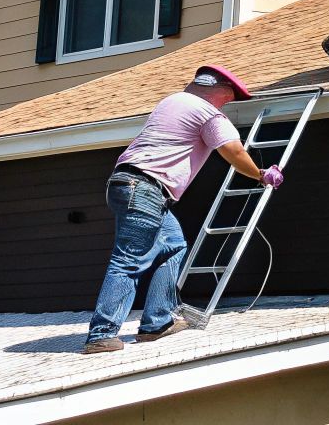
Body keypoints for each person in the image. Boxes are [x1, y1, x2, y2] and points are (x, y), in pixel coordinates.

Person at [81, 65, 282, 353]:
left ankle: (157, 324)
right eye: (229, 98)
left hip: (127, 183)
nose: (228, 104)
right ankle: (101, 335)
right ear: (220, 92)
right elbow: (235, 153)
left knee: (174, 245)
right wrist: (261, 174)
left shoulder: (171, 101)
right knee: (129, 260)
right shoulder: (209, 114)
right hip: (146, 189)